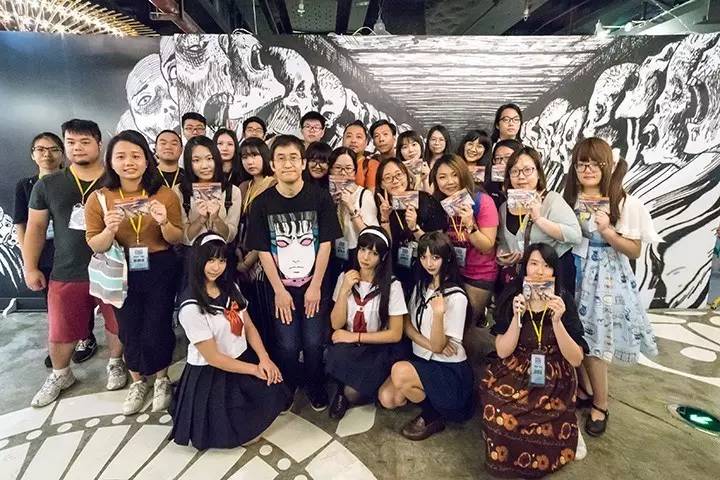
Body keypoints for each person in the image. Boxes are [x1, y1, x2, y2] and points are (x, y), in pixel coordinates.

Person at [23, 119, 124, 407]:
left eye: (85, 142)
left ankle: (115, 362)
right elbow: (35, 228)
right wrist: (30, 266)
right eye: (71, 142)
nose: (77, 148)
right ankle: (60, 374)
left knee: (116, 323)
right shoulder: (48, 184)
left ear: (99, 144)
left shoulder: (117, 179)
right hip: (67, 268)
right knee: (61, 329)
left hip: (112, 267)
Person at [564, 137, 660, 437]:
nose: (588, 169)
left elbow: (634, 250)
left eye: (596, 163)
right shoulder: (570, 198)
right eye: (582, 163)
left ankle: (601, 405)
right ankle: (585, 389)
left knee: (596, 341)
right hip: (573, 270)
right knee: (575, 333)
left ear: (608, 166)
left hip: (603, 277)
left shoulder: (624, 202)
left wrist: (607, 231)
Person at [85, 130, 183, 414]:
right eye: (121, 156)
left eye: (136, 156)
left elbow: (176, 238)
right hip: (121, 268)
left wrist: (164, 222)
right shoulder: (100, 198)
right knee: (128, 327)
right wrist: (109, 230)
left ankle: (162, 378)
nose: (129, 162)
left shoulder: (163, 194)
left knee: (158, 324)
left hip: (160, 266)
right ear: (111, 162)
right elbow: (95, 244)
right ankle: (138, 381)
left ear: (147, 160)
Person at [246, 135, 342, 411]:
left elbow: (326, 244)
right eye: (281, 158)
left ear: (302, 163)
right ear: (272, 165)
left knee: (313, 342)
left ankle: (315, 384)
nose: (287, 164)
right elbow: (263, 250)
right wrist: (279, 290)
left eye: (293, 158)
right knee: (287, 344)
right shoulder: (262, 204)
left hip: (314, 285)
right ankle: (287, 385)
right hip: (280, 287)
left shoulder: (320, 198)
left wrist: (316, 286)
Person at [170, 232, 288, 449]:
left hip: (241, 357)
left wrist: (264, 359)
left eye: (222, 260)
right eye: (210, 260)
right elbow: (214, 358)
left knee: (276, 389)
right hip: (212, 373)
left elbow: (248, 325)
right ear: (197, 260)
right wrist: (254, 370)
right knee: (230, 431)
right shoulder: (191, 307)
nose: (216, 267)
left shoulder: (230, 287)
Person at [480, 243, 587, 478]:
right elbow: (502, 351)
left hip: (555, 373)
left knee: (544, 425)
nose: (539, 271)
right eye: (534, 264)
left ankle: (570, 430)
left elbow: (576, 359)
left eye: (547, 266)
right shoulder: (512, 296)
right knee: (500, 416)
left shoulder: (563, 299)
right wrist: (517, 318)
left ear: (555, 271)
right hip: (515, 368)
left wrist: (558, 321)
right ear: (524, 267)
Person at [378, 232, 474, 440]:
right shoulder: (422, 285)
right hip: (424, 357)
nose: (429, 263)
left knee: (399, 372)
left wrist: (438, 315)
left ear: (447, 258)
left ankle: (433, 414)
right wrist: (430, 345)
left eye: (435, 257)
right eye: (424, 257)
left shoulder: (457, 296)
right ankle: (432, 402)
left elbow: (440, 347)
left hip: (449, 369)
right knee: (388, 398)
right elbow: (407, 326)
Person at [326, 227, 407, 419]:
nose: (366, 257)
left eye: (374, 253)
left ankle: (356, 387)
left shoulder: (392, 286)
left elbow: (395, 333)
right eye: (362, 249)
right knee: (337, 355)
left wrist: (355, 336)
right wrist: (344, 290)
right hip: (350, 347)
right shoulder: (345, 278)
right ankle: (341, 390)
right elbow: (336, 323)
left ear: (383, 257)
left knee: (354, 394)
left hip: (375, 346)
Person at [14, 133, 75, 368]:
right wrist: (28, 260)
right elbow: (22, 224)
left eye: (53, 149)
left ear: (62, 154)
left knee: (79, 297)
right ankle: (60, 344)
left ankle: (85, 338)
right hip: (44, 253)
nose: (47, 155)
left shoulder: (72, 181)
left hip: (71, 249)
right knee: (53, 302)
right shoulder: (26, 186)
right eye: (40, 149)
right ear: (32, 155)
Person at [496, 147, 581, 295]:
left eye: (527, 170)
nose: (521, 176)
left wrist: (539, 219)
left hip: (553, 276)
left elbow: (575, 236)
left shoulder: (551, 200)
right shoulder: (504, 207)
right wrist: (503, 256)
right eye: (515, 171)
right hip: (522, 278)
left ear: (538, 173)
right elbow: (503, 242)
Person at [430, 154, 498, 332]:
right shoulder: (439, 204)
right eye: (442, 177)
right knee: (446, 324)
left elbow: (487, 245)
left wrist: (470, 225)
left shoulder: (482, 201)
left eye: (454, 175)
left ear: (463, 174)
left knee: (465, 327)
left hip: (478, 275)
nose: (449, 182)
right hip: (451, 272)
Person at [374, 158, 447, 292]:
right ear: (382, 184)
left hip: (426, 269)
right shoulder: (383, 207)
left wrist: (414, 228)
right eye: (388, 178)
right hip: (397, 270)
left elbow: (438, 245)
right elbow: (388, 247)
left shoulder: (425, 199)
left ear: (406, 176)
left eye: (398, 175)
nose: (395, 180)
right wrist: (385, 219)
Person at [236, 138, 276, 338]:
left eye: (254, 155)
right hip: (241, 253)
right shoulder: (244, 186)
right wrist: (239, 254)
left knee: (266, 312)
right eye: (244, 157)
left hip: (263, 258)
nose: (249, 161)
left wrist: (248, 261)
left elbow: (270, 230)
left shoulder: (274, 184)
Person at [175, 136, 242, 247]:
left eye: (209, 158)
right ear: (188, 163)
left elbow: (230, 236)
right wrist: (201, 219)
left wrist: (216, 218)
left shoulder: (233, 191)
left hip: (221, 254)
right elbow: (184, 238)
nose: (205, 166)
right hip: (192, 254)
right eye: (196, 160)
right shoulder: (179, 191)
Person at [327, 146, 378, 277]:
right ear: (330, 170)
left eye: (348, 168)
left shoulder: (364, 195)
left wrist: (351, 207)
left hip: (357, 254)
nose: (343, 172)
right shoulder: (325, 195)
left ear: (355, 172)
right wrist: (331, 205)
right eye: (338, 168)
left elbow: (371, 236)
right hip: (331, 254)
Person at [486, 139, 522, 210]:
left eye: (508, 158)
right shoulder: (489, 186)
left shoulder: (524, 184)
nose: (502, 162)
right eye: (497, 158)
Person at [343, 120, 377, 190]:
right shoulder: (334, 163)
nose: (353, 141)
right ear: (343, 140)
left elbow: (370, 195)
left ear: (366, 142)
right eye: (349, 136)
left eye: (358, 137)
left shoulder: (371, 165)